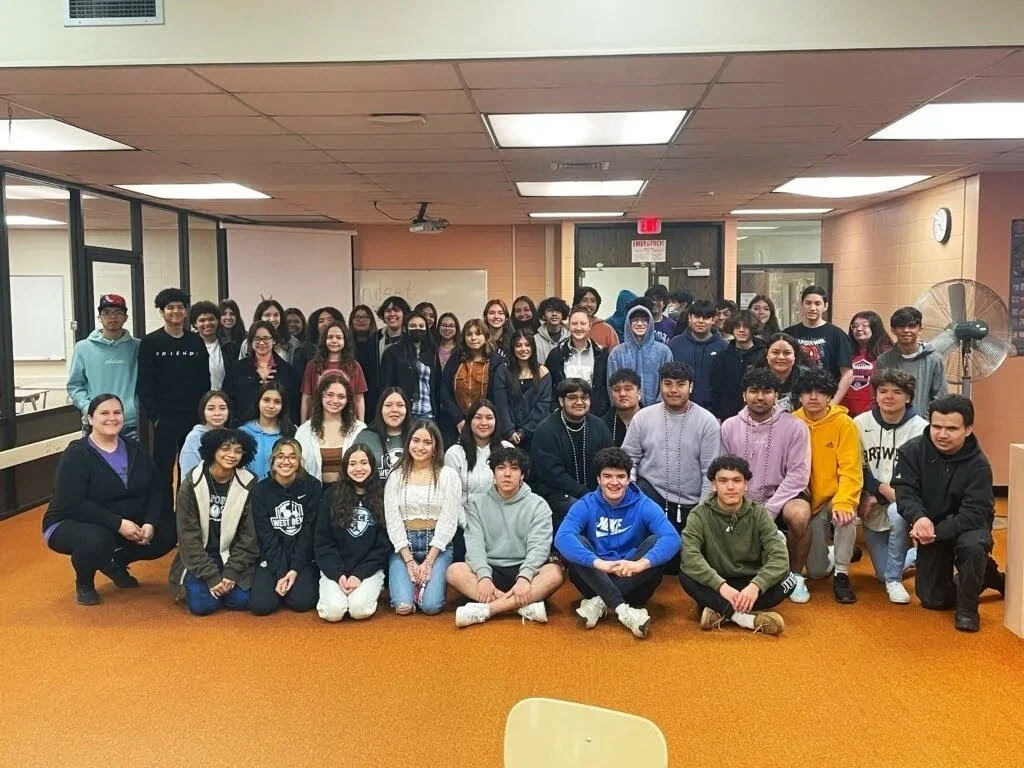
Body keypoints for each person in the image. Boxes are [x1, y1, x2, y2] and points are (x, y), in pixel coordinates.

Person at [43, 394, 176, 606]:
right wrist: (119, 524)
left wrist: (150, 522)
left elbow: (155, 488)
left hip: (122, 520)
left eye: (117, 413)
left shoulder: (135, 448)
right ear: (90, 419)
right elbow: (72, 503)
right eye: (104, 413)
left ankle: (115, 562)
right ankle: (85, 583)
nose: (112, 418)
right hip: (72, 521)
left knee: (171, 529)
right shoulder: (77, 454)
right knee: (97, 541)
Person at [893, 395, 1006, 631]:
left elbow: (975, 513)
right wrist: (919, 518)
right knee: (933, 600)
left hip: (968, 527)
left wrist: (935, 532)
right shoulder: (911, 452)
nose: (942, 434)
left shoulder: (979, 465)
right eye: (937, 427)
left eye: (952, 428)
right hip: (931, 525)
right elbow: (905, 493)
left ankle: (967, 610)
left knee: (973, 546)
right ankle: (986, 574)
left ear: (967, 429)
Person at [555, 447, 681, 639]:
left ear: (628, 478)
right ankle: (624, 611)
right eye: (607, 476)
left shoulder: (643, 504)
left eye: (620, 476)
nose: (614, 483)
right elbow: (562, 537)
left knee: (656, 542)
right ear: (598, 479)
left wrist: (640, 564)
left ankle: (599, 603)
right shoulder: (586, 504)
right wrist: (599, 564)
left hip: (635, 582)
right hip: (595, 580)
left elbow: (673, 538)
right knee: (576, 542)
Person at [447, 446, 564, 627]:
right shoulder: (478, 505)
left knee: (555, 573)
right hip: (492, 570)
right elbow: (474, 546)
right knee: (454, 571)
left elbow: (539, 548)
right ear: (493, 474)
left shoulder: (538, 505)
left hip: (525, 570)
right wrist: (484, 576)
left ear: (523, 475)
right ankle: (521, 606)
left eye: (514, 468)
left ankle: (488, 609)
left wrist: (525, 577)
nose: (507, 474)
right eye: (501, 468)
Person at [621, 361, 720, 573]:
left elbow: (710, 474)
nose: (673, 389)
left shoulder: (707, 422)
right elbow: (628, 459)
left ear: (691, 387)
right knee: (655, 563)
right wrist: (631, 493)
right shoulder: (643, 417)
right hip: (652, 497)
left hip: (691, 505)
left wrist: (700, 514)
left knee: (680, 567)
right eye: (667, 384)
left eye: (680, 384)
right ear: (660, 386)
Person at [679, 456, 794, 635]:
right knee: (686, 574)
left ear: (746, 484)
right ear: (714, 485)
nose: (730, 487)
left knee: (790, 580)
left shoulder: (759, 514)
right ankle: (746, 619)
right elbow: (690, 555)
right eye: (723, 481)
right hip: (717, 584)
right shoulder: (699, 515)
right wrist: (721, 587)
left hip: (750, 583)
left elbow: (779, 557)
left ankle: (720, 612)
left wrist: (756, 586)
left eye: (737, 480)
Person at [720, 369, 811, 588]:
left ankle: (796, 576)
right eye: (753, 391)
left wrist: (770, 510)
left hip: (784, 496)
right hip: (744, 497)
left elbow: (798, 476)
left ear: (777, 395)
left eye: (767, 391)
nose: (760, 397)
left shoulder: (795, 426)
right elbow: (725, 472)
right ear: (744, 395)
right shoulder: (729, 426)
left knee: (799, 515)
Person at [853, 369, 928, 604]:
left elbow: (921, 476)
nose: (888, 396)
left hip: (905, 501)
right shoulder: (859, 423)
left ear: (908, 397)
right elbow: (856, 467)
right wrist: (878, 491)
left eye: (897, 392)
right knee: (880, 573)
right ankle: (917, 555)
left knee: (898, 514)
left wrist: (883, 495)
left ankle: (894, 581)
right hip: (871, 503)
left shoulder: (922, 428)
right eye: (883, 391)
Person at [168, 428, 259, 615]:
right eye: (225, 448)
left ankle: (223, 587)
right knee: (203, 606)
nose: (232, 455)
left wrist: (231, 572)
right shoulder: (191, 484)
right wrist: (211, 577)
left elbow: (249, 536)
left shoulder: (249, 484)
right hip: (201, 556)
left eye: (238, 450)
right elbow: (188, 538)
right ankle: (209, 586)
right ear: (213, 450)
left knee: (243, 601)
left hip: (232, 556)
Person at [792, 369, 863, 604]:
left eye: (821, 392)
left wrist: (844, 502)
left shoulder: (844, 424)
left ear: (830, 396)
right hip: (808, 502)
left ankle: (842, 573)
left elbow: (851, 469)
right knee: (816, 572)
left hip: (834, 498)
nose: (814, 397)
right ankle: (838, 553)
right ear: (799, 396)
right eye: (808, 392)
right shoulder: (792, 423)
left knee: (846, 515)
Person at [137, 287, 210, 513]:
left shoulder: (195, 342)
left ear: (186, 311)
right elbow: (144, 385)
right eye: (170, 307)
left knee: (190, 468)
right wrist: (156, 417)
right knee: (162, 471)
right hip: (164, 419)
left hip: (192, 417)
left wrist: (202, 415)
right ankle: (163, 519)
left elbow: (204, 381)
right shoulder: (150, 343)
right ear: (161, 311)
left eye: (180, 307)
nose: (176, 311)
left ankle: (186, 516)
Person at [384, 421, 461, 615]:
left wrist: (428, 562)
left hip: (437, 546)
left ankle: (423, 586)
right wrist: (410, 561)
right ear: (408, 443)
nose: (420, 447)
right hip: (404, 546)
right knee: (404, 606)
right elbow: (392, 520)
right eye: (415, 440)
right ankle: (411, 587)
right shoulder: (396, 476)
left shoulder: (448, 475)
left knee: (430, 607)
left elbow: (449, 521)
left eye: (427, 442)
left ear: (436, 447)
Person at [314, 443, 392, 621]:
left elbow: (383, 545)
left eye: (364, 463)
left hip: (368, 570)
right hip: (335, 569)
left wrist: (360, 574)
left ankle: (368, 591)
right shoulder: (331, 495)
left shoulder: (382, 496)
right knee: (333, 613)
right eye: (353, 463)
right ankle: (335, 596)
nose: (358, 468)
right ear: (345, 467)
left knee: (359, 610)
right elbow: (322, 542)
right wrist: (337, 574)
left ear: (372, 466)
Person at [249, 438, 322, 616]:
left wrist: (294, 570)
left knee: (302, 602)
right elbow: (266, 536)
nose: (286, 462)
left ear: (299, 462)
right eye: (280, 457)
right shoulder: (260, 490)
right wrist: (282, 572)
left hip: (301, 557)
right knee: (261, 606)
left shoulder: (312, 486)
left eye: (292, 457)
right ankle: (280, 583)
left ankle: (291, 583)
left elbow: (308, 531)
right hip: (273, 555)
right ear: (272, 461)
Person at [529, 378, 613, 529]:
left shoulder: (599, 426)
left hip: (594, 491)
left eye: (584, 397)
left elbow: (610, 462)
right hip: (556, 492)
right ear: (561, 401)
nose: (579, 402)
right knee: (577, 508)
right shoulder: (546, 430)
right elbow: (552, 475)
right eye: (573, 397)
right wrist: (586, 495)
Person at [67, 293, 141, 437]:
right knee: (93, 460)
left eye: (118, 313)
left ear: (126, 317)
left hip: (130, 423)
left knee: (131, 460)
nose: (112, 317)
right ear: (99, 318)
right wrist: (88, 408)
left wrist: (135, 406)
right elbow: (75, 385)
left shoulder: (137, 347)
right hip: (96, 424)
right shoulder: (83, 348)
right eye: (107, 313)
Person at [444, 399, 511, 552]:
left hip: (503, 526)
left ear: (496, 421)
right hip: (464, 526)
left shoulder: (507, 449)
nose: (484, 422)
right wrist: (469, 526)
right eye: (478, 417)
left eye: (489, 417)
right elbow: (451, 499)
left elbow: (515, 493)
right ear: (469, 421)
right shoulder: (454, 453)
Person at [440, 318, 510, 445]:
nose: (473, 338)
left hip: (486, 424)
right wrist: (458, 419)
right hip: (457, 425)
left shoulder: (496, 362)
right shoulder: (456, 359)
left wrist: (481, 419)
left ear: (486, 336)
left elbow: (499, 399)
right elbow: (444, 391)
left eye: (478, 334)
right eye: (469, 334)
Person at [783, 285, 854, 403]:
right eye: (808, 303)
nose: (812, 308)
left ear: (825, 306)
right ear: (801, 305)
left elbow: (847, 374)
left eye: (817, 303)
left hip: (824, 397)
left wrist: (833, 403)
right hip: (794, 398)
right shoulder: (788, 333)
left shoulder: (837, 335)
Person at [223, 320, 300, 427]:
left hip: (279, 429)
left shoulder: (288, 371)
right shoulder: (237, 369)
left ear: (274, 341)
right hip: (243, 429)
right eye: (257, 339)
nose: (262, 343)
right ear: (250, 342)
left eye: (266, 338)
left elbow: (293, 405)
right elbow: (227, 401)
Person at [876, 306, 948, 416]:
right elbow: (880, 394)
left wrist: (925, 424)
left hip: (923, 426)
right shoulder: (883, 360)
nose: (906, 330)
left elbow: (940, 397)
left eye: (912, 326)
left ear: (920, 329)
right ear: (893, 330)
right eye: (901, 326)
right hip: (891, 423)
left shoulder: (933, 359)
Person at [296, 373, 367, 484]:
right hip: (314, 495)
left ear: (347, 399)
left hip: (349, 494)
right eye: (330, 394)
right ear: (321, 396)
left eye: (341, 396)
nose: (335, 400)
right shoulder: (304, 431)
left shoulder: (359, 429)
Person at [544, 306, 610, 417]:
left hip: (594, 415)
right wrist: (555, 409)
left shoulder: (601, 354)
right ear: (568, 326)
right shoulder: (556, 354)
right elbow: (549, 387)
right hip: (563, 415)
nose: (579, 328)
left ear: (590, 326)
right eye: (574, 324)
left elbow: (605, 386)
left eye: (583, 324)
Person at [300, 320, 368, 422]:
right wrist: (303, 423)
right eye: (330, 337)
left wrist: (362, 425)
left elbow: (359, 399)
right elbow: (306, 397)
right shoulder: (313, 365)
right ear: (324, 340)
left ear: (345, 341)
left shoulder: (354, 366)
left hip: (348, 422)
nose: (334, 341)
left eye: (339, 337)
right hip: (317, 421)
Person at [607, 304, 673, 407]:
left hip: (656, 412)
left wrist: (659, 406)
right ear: (629, 323)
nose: (639, 324)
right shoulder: (617, 353)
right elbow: (611, 385)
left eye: (644, 320)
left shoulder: (663, 351)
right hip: (625, 411)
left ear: (650, 323)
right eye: (635, 320)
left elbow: (668, 381)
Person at [494, 329, 552, 447]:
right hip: (507, 436)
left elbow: (543, 406)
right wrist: (510, 430)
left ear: (533, 347)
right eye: (518, 345)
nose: (523, 349)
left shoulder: (543, 372)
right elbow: (501, 404)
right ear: (512, 348)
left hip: (535, 434)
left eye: (527, 345)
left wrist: (523, 432)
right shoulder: (503, 370)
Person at [380, 311, 440, 423]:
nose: (417, 329)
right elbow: (386, 387)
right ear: (404, 328)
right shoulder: (392, 352)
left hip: (428, 414)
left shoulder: (431, 353)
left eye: (421, 326)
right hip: (403, 414)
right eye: (413, 326)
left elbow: (436, 386)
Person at [668, 299, 728, 409]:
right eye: (696, 317)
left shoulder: (724, 347)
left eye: (706, 318)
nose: (701, 321)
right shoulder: (674, 344)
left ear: (713, 320)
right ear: (689, 318)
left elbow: (726, 384)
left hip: (713, 410)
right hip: (679, 407)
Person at [708, 309, 765, 422]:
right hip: (728, 417)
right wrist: (717, 415)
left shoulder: (763, 355)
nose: (741, 330)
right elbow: (715, 390)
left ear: (753, 328)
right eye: (737, 326)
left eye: (746, 327)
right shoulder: (722, 357)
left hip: (759, 415)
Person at [239, 382, 296, 480]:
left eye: (277, 402)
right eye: (266, 400)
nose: (271, 406)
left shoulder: (292, 431)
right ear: (258, 402)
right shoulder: (244, 432)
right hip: (250, 490)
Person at [842, 310, 893, 417]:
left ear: (875, 328)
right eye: (855, 326)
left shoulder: (888, 354)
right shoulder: (845, 351)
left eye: (865, 326)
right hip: (845, 412)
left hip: (875, 413)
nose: (859, 329)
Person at [360, 387, 413, 480]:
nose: (394, 409)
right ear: (380, 409)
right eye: (388, 405)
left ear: (407, 409)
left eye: (400, 405)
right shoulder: (364, 437)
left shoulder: (416, 437)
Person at [179, 390, 232, 479]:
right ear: (203, 411)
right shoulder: (194, 438)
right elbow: (188, 475)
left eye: (222, 408)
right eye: (211, 409)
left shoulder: (232, 437)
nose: (217, 413)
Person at [190, 300, 237, 392]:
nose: (207, 323)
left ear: (218, 321)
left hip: (223, 400)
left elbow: (234, 378)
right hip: (196, 401)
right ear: (195, 323)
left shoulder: (229, 347)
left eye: (211, 319)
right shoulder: (188, 346)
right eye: (202, 320)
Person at [758, 333, 812, 411]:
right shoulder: (756, 378)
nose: (781, 357)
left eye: (787, 353)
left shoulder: (808, 377)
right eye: (775, 352)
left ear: (795, 355)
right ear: (767, 354)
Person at [238, 299, 301, 363]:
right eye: (267, 315)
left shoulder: (293, 343)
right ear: (260, 317)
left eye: (276, 315)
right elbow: (241, 370)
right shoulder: (247, 344)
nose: (272, 319)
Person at [349, 304, 381, 417]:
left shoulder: (379, 341)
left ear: (371, 320)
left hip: (375, 394)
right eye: (357, 317)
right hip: (352, 395)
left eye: (365, 317)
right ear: (351, 321)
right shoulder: (345, 344)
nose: (361, 320)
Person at [603, 368, 643, 448]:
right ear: (611, 395)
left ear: (639, 393)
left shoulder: (651, 421)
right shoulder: (601, 425)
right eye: (617, 390)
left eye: (628, 389)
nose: (622, 394)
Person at [573, 286, 619, 350]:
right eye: (584, 300)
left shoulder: (607, 329)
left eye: (593, 301)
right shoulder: (568, 328)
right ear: (576, 303)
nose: (589, 304)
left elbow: (615, 357)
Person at [535, 296, 571, 363]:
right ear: (543, 314)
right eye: (550, 310)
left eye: (558, 310)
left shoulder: (570, 338)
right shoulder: (535, 340)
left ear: (563, 314)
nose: (554, 314)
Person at [376, 295, 411, 361]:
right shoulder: (375, 338)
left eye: (396, 310)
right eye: (388, 311)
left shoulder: (411, 337)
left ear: (404, 313)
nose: (392, 314)